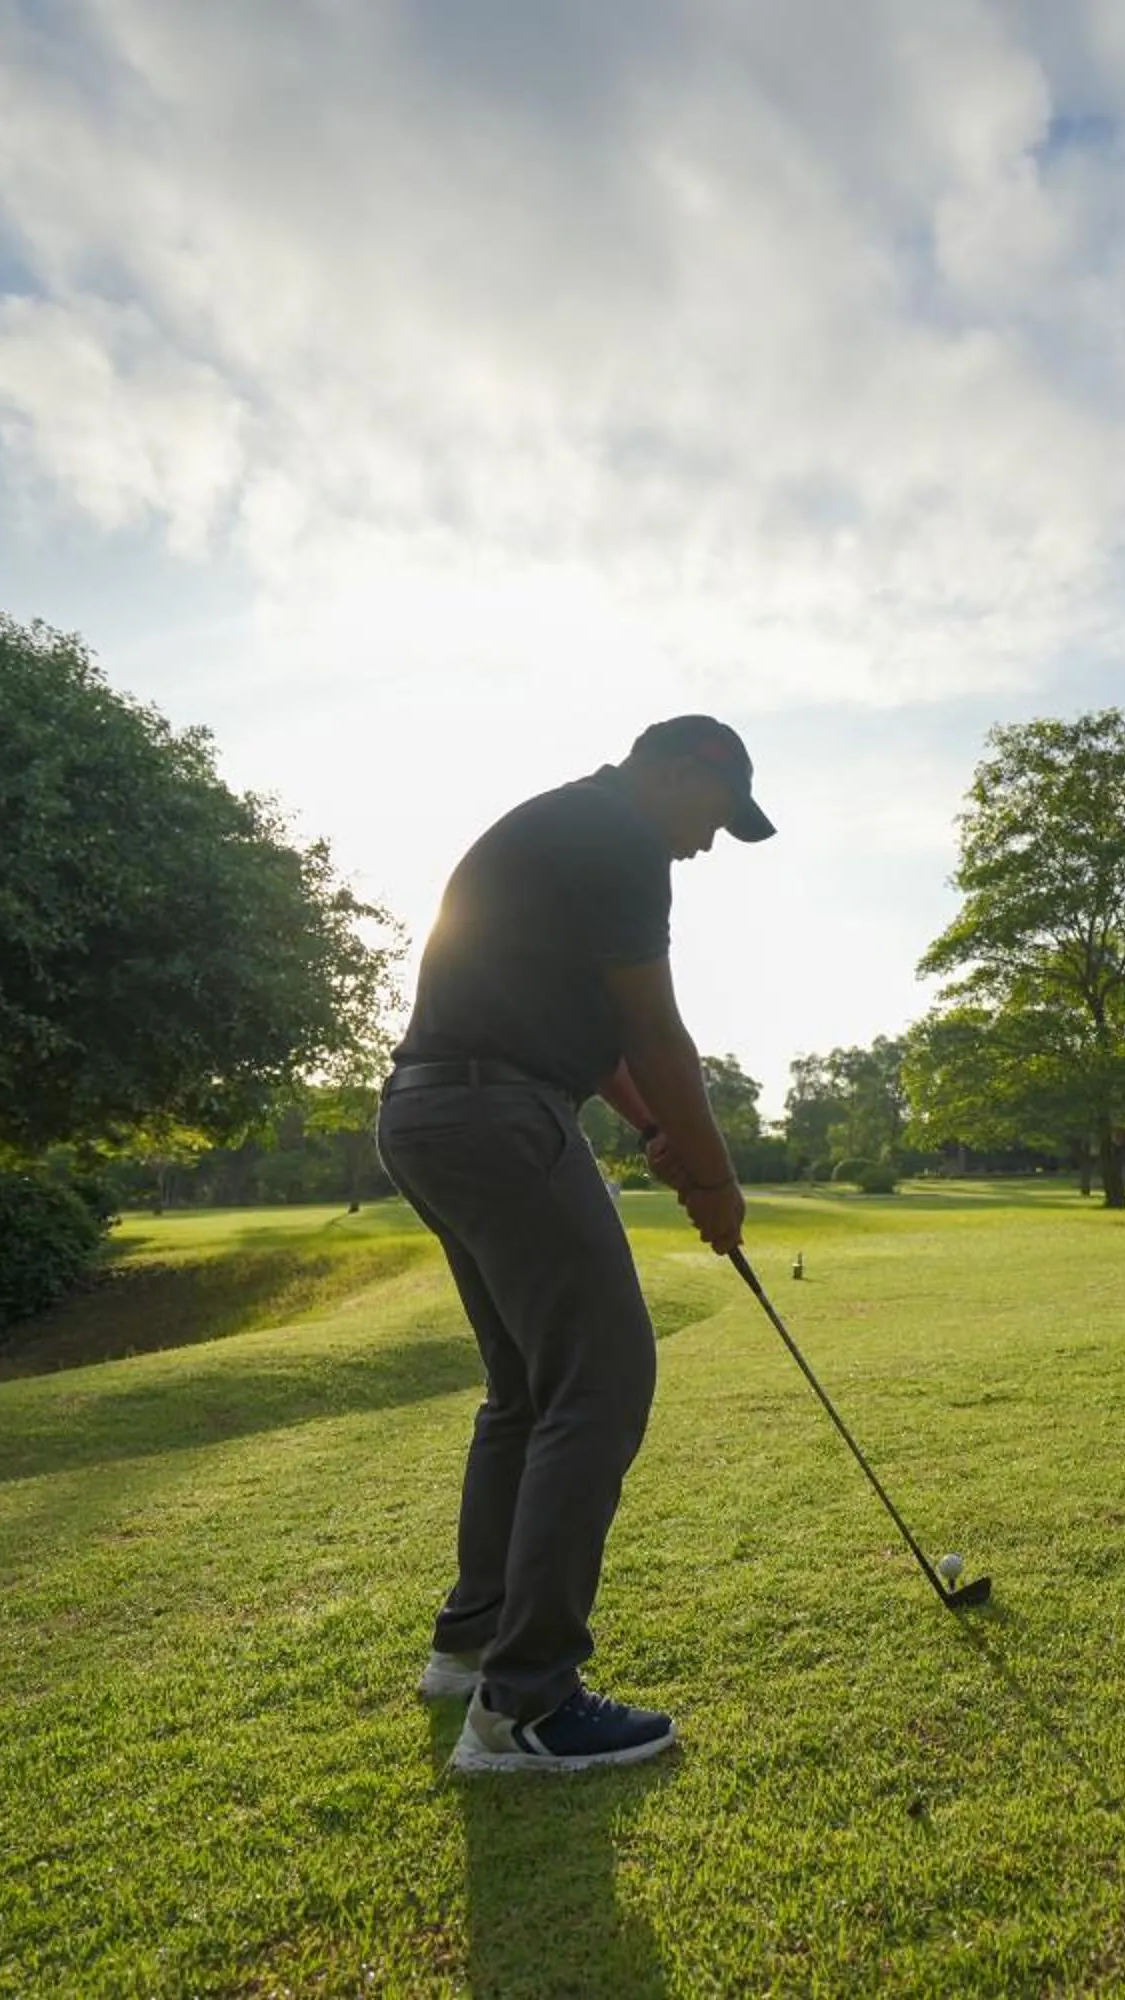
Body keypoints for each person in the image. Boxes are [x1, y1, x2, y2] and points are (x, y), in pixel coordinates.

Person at [376, 715, 771, 1774]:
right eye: (717, 815)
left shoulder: (569, 827)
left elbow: (603, 1047)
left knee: (526, 1391)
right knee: (603, 1378)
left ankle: (472, 1643)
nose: (708, 843)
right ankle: (528, 1702)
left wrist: (656, 1133)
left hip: (429, 1111)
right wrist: (719, 1178)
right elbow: (656, 1030)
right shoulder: (621, 838)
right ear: (682, 770)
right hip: (496, 1114)